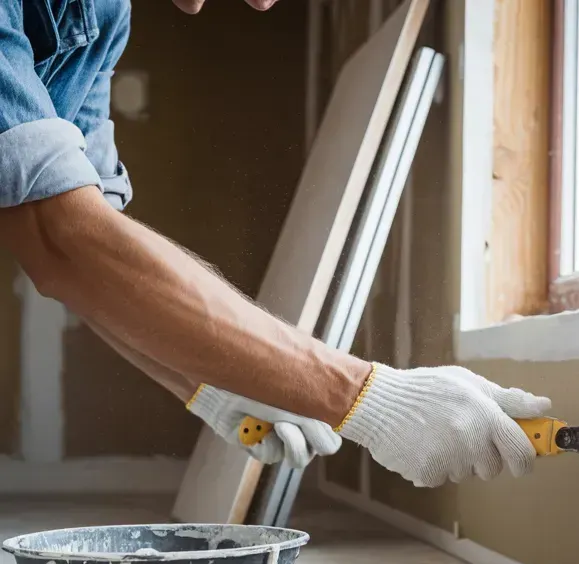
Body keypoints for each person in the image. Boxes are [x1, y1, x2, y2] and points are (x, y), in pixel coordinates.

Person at [0, 0, 550, 488]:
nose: (263, 5)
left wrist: (213, 385)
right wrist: (370, 398)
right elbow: (60, 235)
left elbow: (91, 258)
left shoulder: (101, 15)